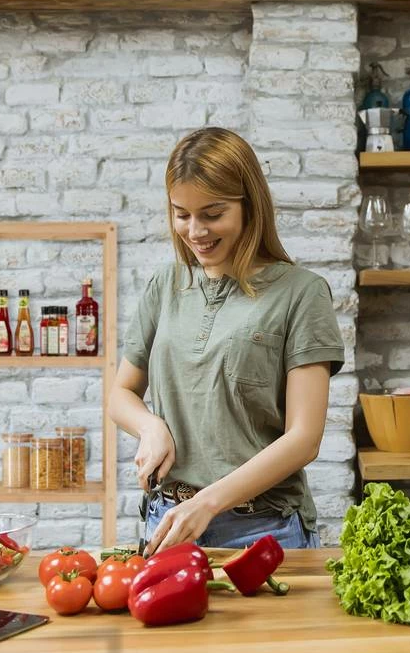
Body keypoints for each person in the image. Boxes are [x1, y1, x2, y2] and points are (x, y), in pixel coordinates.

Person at [108, 127, 345, 554]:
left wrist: (208, 503)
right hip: (168, 523)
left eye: (212, 214)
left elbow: (304, 438)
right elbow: (120, 394)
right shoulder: (166, 285)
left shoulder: (302, 293)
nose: (195, 230)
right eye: (182, 214)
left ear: (249, 207)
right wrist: (150, 426)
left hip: (264, 531)